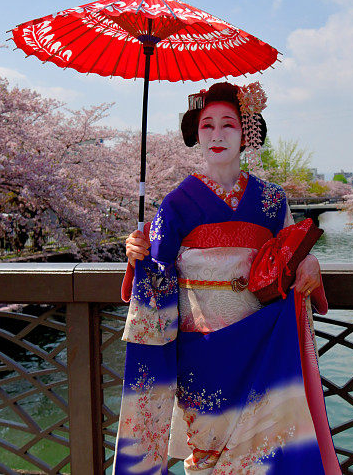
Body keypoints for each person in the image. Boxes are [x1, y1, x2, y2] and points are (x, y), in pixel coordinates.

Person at [113, 81, 341, 474]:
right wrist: (138, 254)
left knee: (265, 451)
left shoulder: (272, 200)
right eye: (207, 126)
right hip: (201, 348)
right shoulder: (178, 201)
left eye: (228, 124)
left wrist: (309, 265)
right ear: (195, 135)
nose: (217, 135)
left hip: (260, 342)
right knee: (207, 454)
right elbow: (155, 274)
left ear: (246, 132)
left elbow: (290, 253)